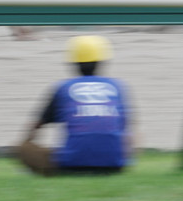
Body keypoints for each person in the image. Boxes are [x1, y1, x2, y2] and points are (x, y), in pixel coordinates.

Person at [17, 35, 132, 176]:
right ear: (102, 62)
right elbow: (127, 128)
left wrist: (26, 144)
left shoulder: (63, 88)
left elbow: (35, 126)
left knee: (23, 148)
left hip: (72, 165)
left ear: (73, 64)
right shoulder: (118, 87)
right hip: (114, 165)